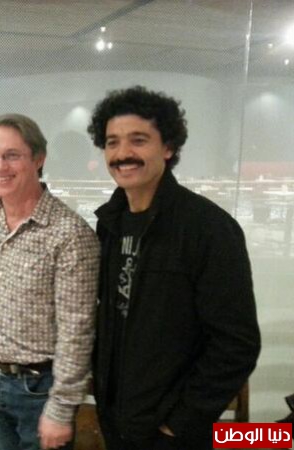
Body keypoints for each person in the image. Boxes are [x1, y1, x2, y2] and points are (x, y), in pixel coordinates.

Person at [87, 86, 261, 450]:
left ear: (168, 147)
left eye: (138, 140)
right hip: (118, 421)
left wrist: (180, 423)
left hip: (172, 434)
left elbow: (236, 344)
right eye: (113, 142)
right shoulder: (110, 223)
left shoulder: (208, 228)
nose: (123, 153)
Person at [0, 114, 100, 450]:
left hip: (39, 390)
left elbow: (77, 330)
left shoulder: (70, 234)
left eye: (12, 155)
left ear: (39, 159)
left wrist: (61, 409)